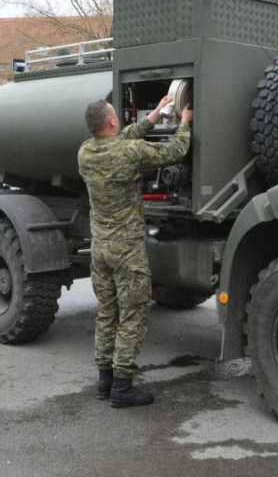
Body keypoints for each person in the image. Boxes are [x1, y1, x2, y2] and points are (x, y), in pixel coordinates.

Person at [77, 96, 193, 408]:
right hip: (127, 251)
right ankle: (123, 387)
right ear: (112, 121)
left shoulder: (85, 152)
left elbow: (123, 139)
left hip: (100, 249)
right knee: (133, 315)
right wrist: (184, 122)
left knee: (107, 313)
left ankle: (105, 382)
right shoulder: (130, 152)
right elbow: (175, 151)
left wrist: (154, 115)